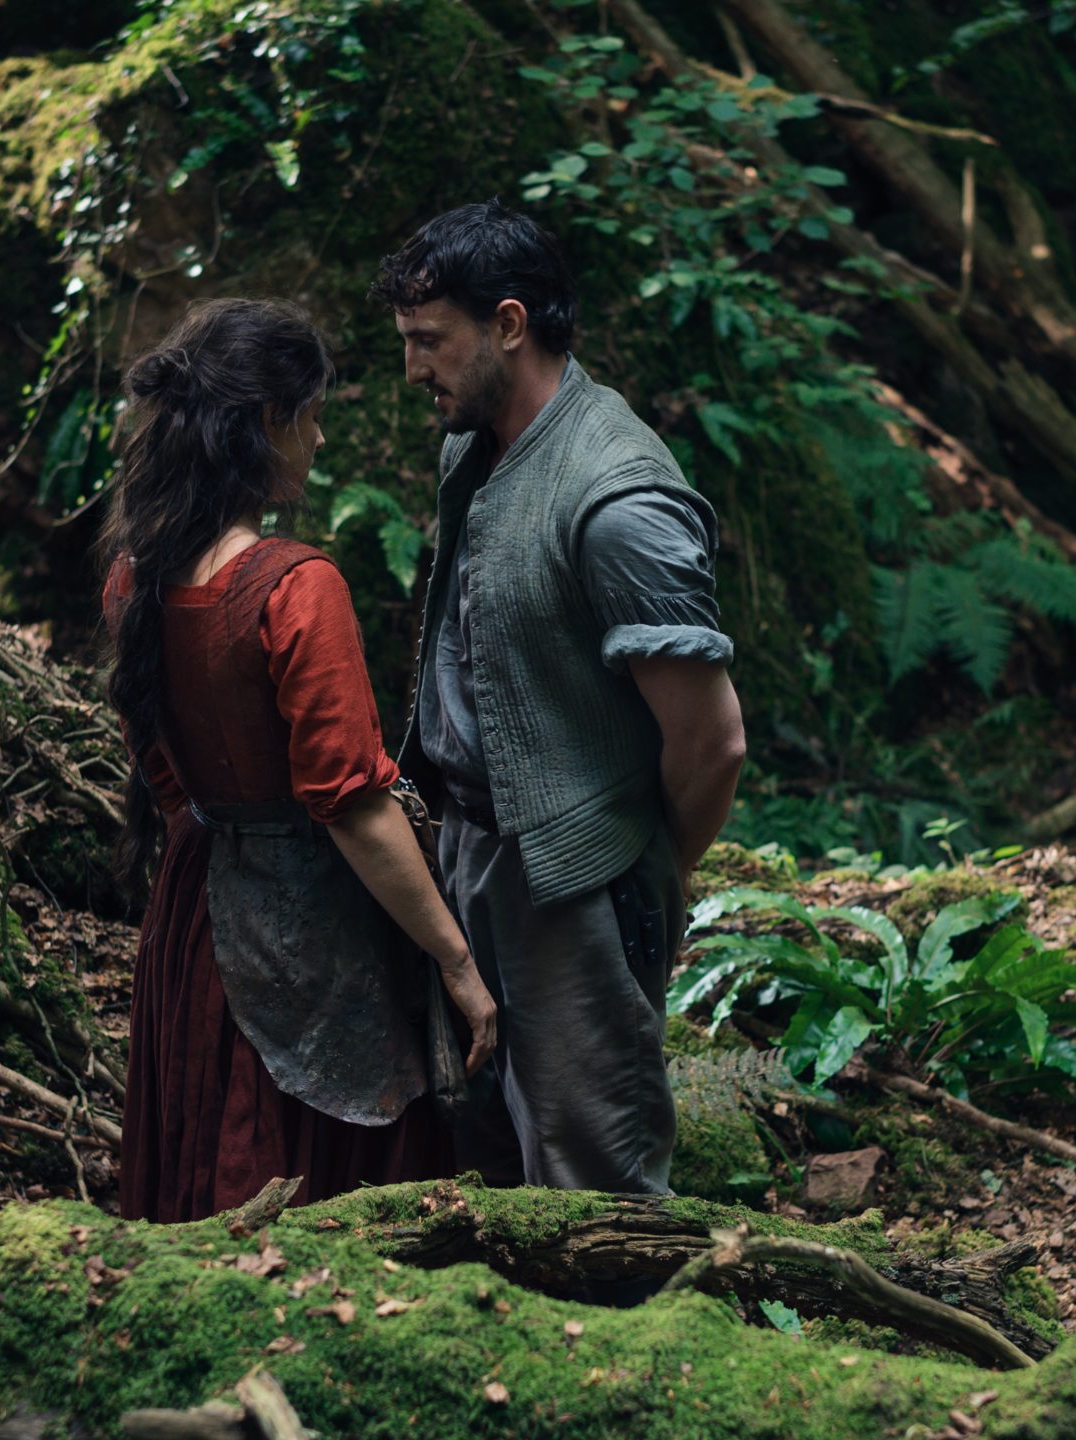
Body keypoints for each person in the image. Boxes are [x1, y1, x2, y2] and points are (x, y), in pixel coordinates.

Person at [372, 202, 746, 1195]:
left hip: (575, 884)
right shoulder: (472, 446)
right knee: (482, 1145)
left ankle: (630, 1348)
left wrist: (638, 873)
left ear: (507, 324)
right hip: (466, 856)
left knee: (595, 1171)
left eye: (427, 343)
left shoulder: (619, 499)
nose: (412, 370)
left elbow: (712, 744)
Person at [102, 297, 498, 1224]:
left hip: (196, 915)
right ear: (269, 422)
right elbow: (350, 803)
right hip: (310, 928)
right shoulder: (294, 587)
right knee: (306, 1176)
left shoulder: (137, 571)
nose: (318, 439)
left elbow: (160, 763)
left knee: (207, 1135)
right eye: (312, 415)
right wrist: (455, 961)